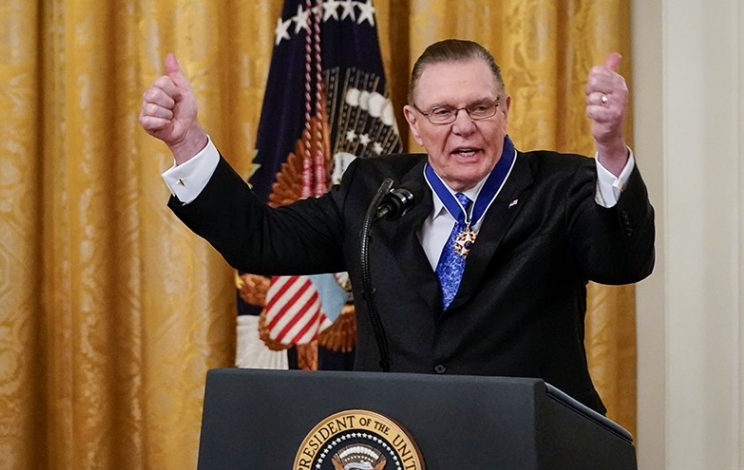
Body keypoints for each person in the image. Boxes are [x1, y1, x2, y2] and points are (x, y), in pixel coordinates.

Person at [138, 39, 654, 414]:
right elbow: (262, 242)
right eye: (443, 111)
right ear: (413, 121)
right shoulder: (374, 188)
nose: (464, 126)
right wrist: (186, 143)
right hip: (402, 449)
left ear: (505, 109)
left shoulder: (562, 185)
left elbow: (623, 262)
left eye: (480, 107)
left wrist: (610, 150)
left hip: (530, 447)